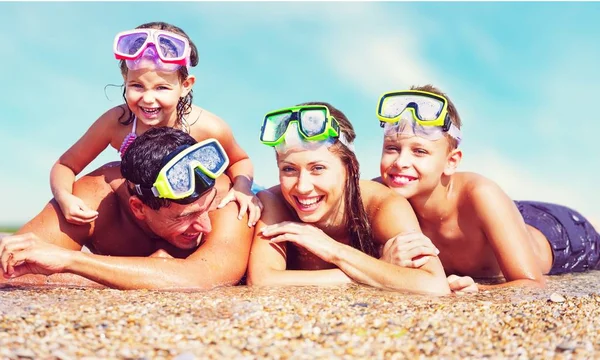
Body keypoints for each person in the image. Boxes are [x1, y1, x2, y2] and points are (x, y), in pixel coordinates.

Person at [373, 85, 600, 289]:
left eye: (419, 151)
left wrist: (479, 292)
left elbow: (531, 284)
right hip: (507, 213)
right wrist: (384, 264)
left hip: (563, 236)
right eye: (392, 148)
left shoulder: (481, 194)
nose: (400, 162)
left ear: (451, 162)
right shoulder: (378, 195)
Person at [50, 21, 262, 228]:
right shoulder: (117, 123)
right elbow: (66, 165)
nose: (148, 99)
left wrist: (243, 189)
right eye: (137, 86)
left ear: (185, 86)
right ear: (125, 80)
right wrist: (64, 197)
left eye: (161, 88)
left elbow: (240, 160)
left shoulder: (206, 126)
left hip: (202, 208)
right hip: (160, 213)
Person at [0, 127, 253, 290]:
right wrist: (144, 272)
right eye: (185, 217)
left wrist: (72, 261)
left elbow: (203, 277)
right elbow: (7, 271)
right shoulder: (90, 200)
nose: (205, 227)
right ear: (139, 208)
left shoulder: (227, 199)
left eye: (205, 209)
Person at [246, 102, 453, 296]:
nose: (302, 186)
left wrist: (333, 250)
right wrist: (378, 266)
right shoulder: (274, 201)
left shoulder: (382, 204)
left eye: (318, 168)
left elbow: (434, 285)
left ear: (350, 169)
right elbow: (262, 280)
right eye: (289, 169)